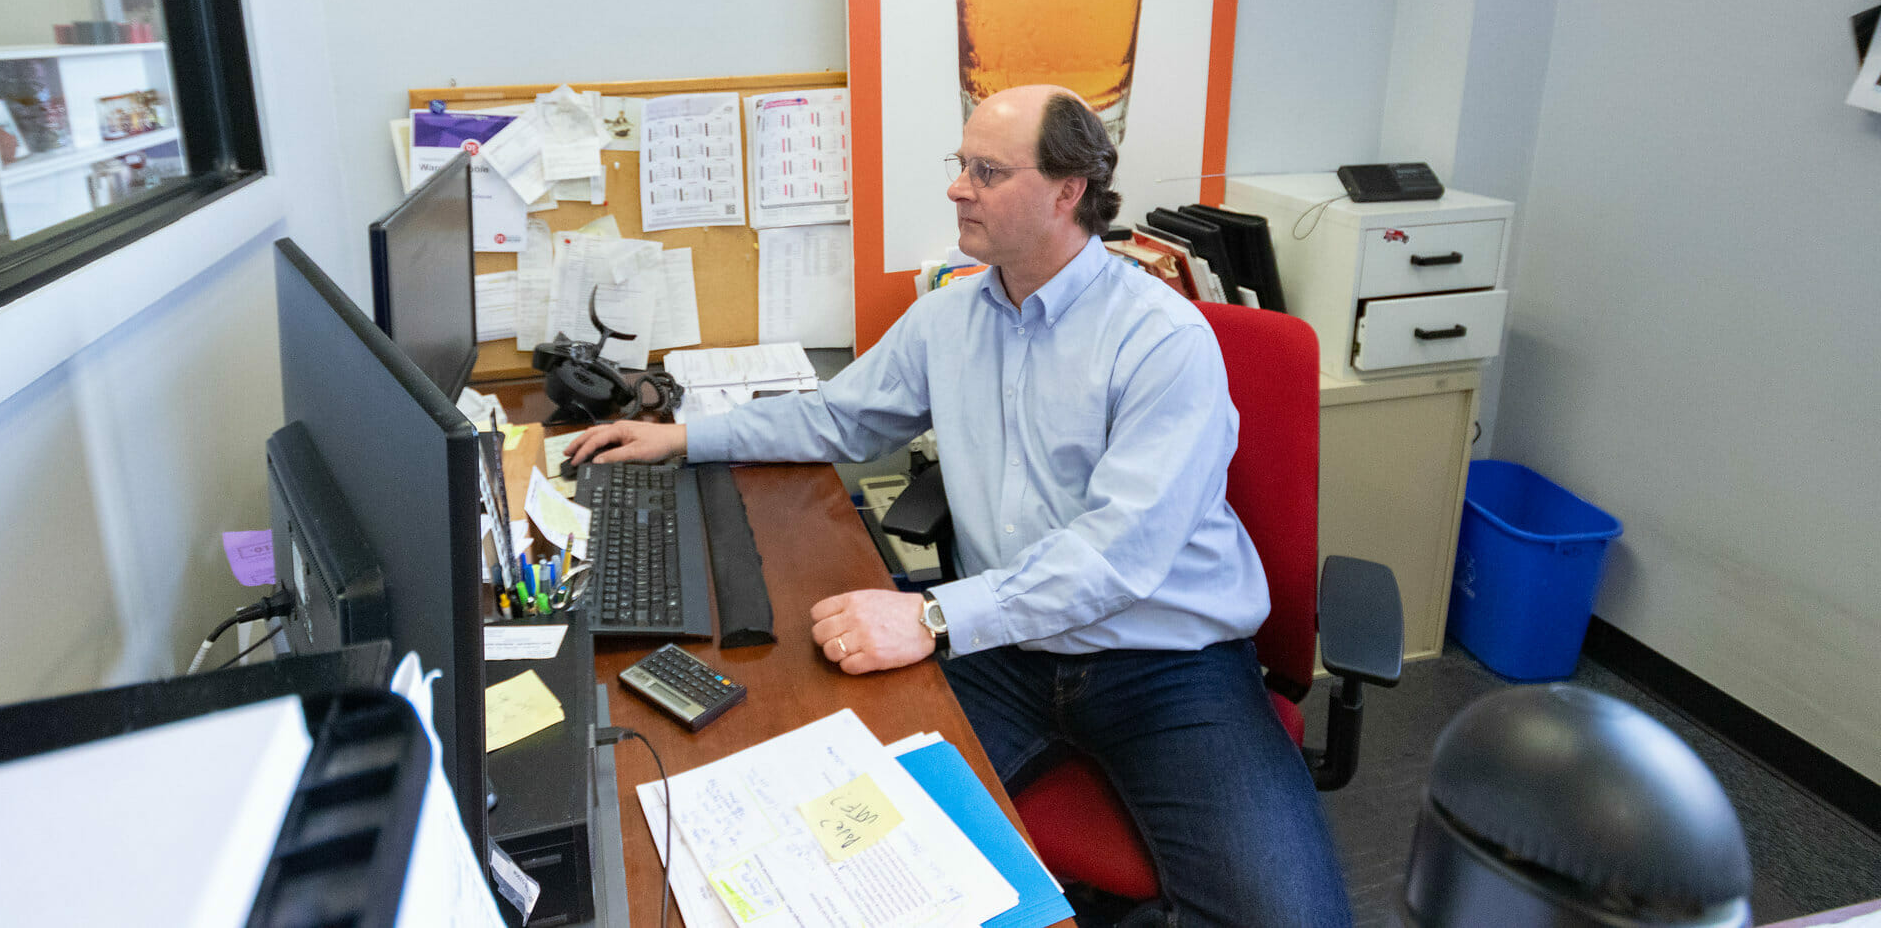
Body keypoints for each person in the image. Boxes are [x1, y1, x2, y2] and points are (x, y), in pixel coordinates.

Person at [564, 85, 1350, 927]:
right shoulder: (952, 314)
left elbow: (1116, 556)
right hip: (1006, 648)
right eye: (960, 164)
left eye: (987, 170)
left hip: (1162, 660)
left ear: (1067, 190)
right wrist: (684, 436)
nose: (957, 187)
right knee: (833, 855)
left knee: (1292, 917)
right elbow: (836, 415)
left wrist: (934, 618)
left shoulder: (1161, 342)